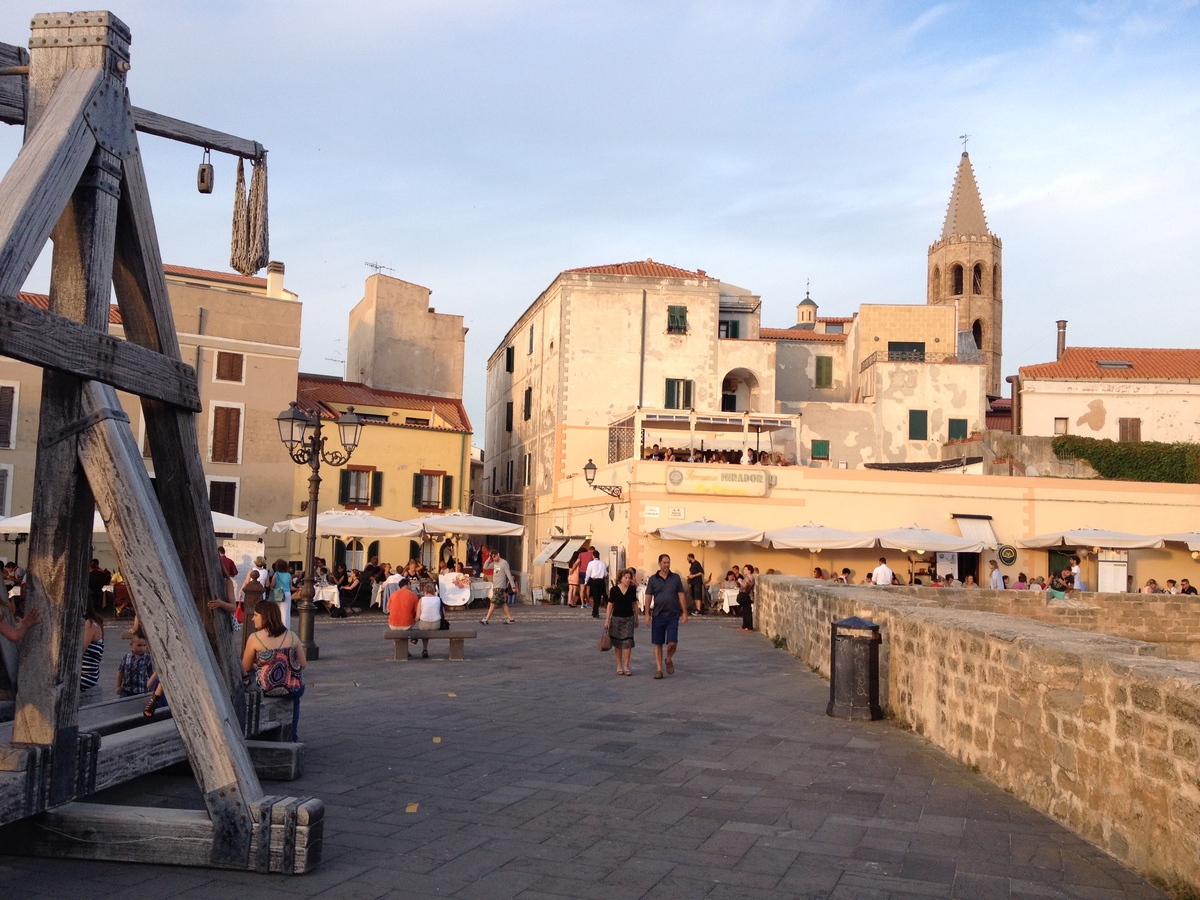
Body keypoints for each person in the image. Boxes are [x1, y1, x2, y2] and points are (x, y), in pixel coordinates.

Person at [242, 599, 306, 740]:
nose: (253, 619)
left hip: (267, 687)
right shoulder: (292, 635)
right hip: (291, 688)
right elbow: (303, 664)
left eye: (256, 615)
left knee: (249, 678)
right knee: (296, 697)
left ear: (265, 616)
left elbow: (246, 666)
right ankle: (292, 734)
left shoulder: (255, 638)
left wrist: (260, 666)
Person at [644, 554, 687, 679]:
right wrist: (647, 614)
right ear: (659, 563)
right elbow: (648, 597)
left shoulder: (676, 578)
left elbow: (681, 595)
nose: (667, 565)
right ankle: (659, 669)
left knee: (672, 643)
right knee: (658, 643)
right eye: (664, 563)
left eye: (668, 562)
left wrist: (684, 612)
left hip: (673, 614)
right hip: (658, 615)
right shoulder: (653, 579)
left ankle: (668, 658)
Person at [605, 568, 638, 676]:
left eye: (629, 578)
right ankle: (619, 665)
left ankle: (626, 666)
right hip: (617, 619)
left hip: (629, 618)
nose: (628, 580)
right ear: (621, 578)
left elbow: (635, 604)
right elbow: (610, 605)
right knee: (618, 643)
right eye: (626, 578)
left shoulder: (633, 589)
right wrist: (607, 621)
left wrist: (637, 618)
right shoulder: (614, 590)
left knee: (628, 643)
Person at [481, 549, 517, 625]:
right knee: (502, 603)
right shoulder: (494, 563)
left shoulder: (504, 563)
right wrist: (489, 559)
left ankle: (486, 619)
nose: (493, 558)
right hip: (495, 585)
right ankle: (511, 619)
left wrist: (513, 586)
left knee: (493, 602)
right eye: (492, 557)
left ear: (498, 554)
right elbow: (485, 567)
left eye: (494, 556)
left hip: (500, 586)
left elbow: (509, 575)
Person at [79, 603, 105, 694]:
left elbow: (80, 650)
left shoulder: (89, 624)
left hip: (85, 676)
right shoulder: (94, 623)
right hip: (89, 675)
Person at [415, 581, 443, 658]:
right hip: (436, 624)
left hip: (424, 624)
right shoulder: (438, 599)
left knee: (422, 627)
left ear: (425, 592)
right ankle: (424, 648)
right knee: (426, 625)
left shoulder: (421, 600)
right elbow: (441, 614)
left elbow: (417, 617)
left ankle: (424, 648)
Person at [267, 559, 293, 624]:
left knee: (277, 610)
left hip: (277, 593)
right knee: (286, 611)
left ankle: (277, 625)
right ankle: (286, 625)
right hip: (287, 593)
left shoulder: (276, 574)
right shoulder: (288, 575)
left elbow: (272, 584)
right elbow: (290, 586)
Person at [586, 551, 609, 619]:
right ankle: (595, 611)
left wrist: (585, 581)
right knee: (599, 596)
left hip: (594, 580)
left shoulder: (591, 563)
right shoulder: (603, 563)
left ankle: (595, 612)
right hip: (601, 581)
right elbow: (605, 574)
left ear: (593, 556)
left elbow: (588, 573)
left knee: (595, 597)